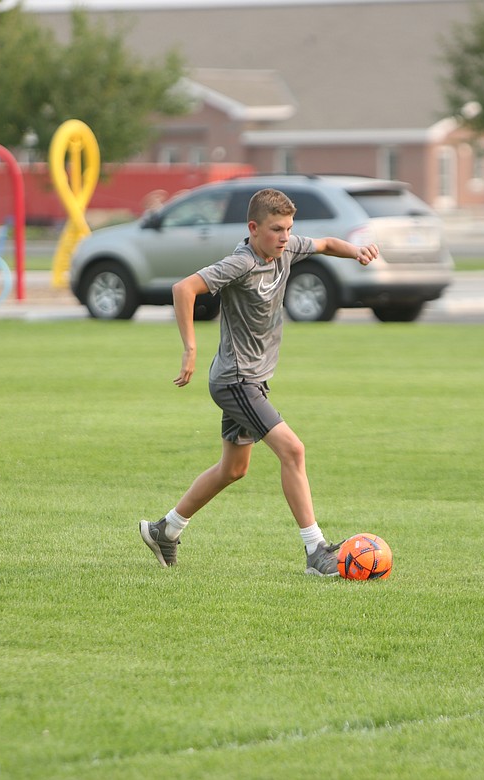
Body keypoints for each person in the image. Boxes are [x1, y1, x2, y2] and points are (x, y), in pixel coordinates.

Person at [140, 188, 379, 575]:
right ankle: (316, 552)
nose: (285, 237)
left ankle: (165, 529)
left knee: (233, 469)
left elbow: (326, 243)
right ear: (253, 228)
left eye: (288, 228)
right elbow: (183, 288)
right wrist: (190, 350)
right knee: (293, 450)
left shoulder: (285, 249)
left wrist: (356, 251)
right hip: (236, 380)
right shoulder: (241, 263)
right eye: (276, 230)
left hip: (252, 379)